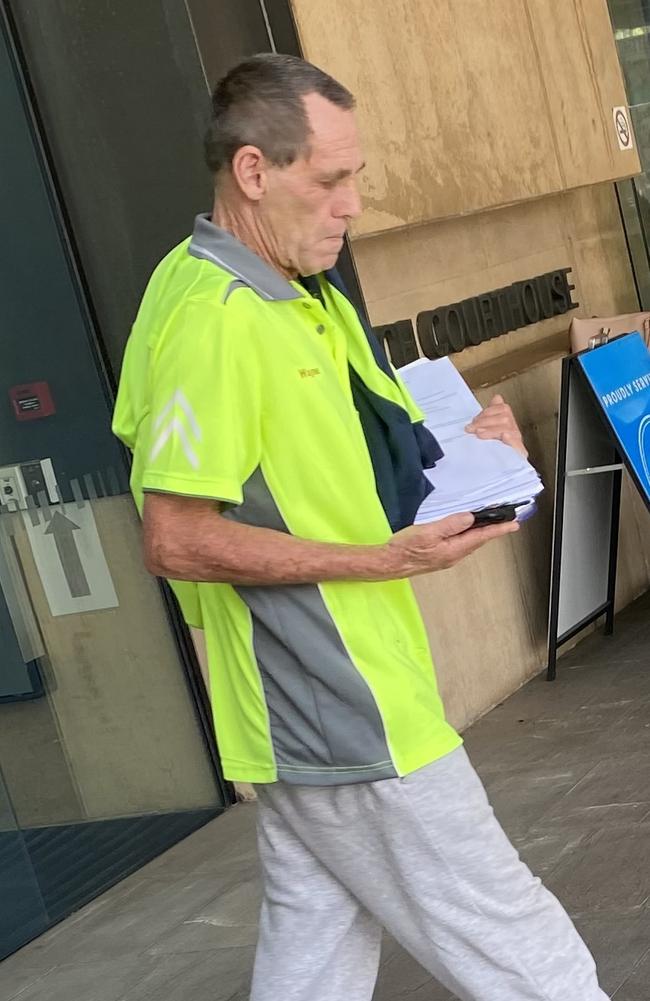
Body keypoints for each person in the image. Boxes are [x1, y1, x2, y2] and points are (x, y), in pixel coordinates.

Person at [113, 53, 607, 1001]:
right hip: (338, 703)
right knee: (519, 941)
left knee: (316, 954)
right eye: (331, 180)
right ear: (255, 172)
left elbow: (368, 454)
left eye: (358, 178)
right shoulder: (212, 319)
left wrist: (471, 443)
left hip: (342, 698)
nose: (350, 205)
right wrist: (378, 561)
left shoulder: (301, 293)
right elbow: (173, 536)